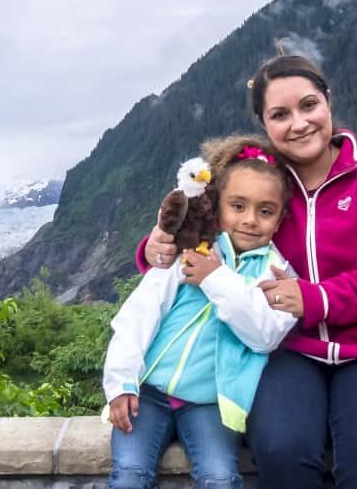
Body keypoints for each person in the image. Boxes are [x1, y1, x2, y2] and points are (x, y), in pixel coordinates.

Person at [142, 55, 357, 489]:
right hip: (286, 351)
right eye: (280, 114)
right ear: (264, 122)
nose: (299, 123)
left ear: (329, 101)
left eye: (308, 105)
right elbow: (196, 233)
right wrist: (152, 250)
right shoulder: (262, 187)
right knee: (281, 452)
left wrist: (316, 299)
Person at [104, 135, 299, 489]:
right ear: (217, 205)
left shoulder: (279, 273)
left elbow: (265, 336)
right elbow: (138, 317)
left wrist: (216, 279)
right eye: (238, 206)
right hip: (148, 392)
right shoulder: (187, 252)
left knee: (220, 478)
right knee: (130, 474)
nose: (250, 220)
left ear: (280, 218)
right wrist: (120, 383)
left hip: (213, 402)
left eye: (265, 211)